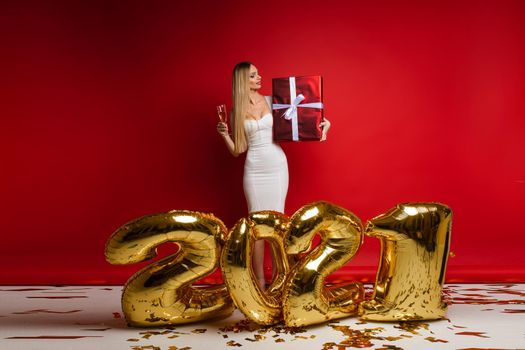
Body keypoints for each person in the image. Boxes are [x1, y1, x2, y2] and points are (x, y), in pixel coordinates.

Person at [217, 62, 330, 289]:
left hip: (277, 165)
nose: (259, 77)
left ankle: (281, 276)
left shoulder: (273, 101)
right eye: (253, 75)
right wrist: (224, 134)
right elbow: (238, 150)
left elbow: (299, 124)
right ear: (242, 81)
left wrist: (322, 128)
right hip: (254, 168)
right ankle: (259, 280)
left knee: (279, 224)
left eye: (258, 73)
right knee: (257, 226)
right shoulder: (236, 111)